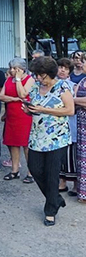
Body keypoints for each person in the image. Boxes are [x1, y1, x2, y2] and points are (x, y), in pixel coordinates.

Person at [24, 56, 74, 226]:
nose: (37, 78)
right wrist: (29, 110)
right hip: (37, 136)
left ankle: (50, 211)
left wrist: (44, 109)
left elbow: (70, 110)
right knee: (35, 169)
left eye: (40, 75)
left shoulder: (62, 86)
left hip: (57, 138)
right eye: (36, 74)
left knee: (52, 174)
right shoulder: (36, 87)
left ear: (49, 73)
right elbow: (33, 106)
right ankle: (56, 198)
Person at [0, 58, 34, 183]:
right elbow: (1, 96)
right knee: (13, 143)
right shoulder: (8, 79)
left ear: (22, 69)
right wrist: (13, 99)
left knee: (26, 145)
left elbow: (23, 94)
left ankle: (31, 172)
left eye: (14, 68)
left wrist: (18, 79)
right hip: (12, 114)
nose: (12, 71)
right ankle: (14, 170)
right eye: (11, 68)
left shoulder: (30, 80)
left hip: (24, 115)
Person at [57, 58, 77, 193]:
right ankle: (62, 182)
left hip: (70, 124)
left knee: (72, 156)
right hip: (58, 126)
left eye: (66, 68)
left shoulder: (74, 85)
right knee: (61, 155)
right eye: (60, 67)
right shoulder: (52, 85)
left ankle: (76, 185)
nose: (63, 70)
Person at [73, 62, 86, 203]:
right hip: (82, 124)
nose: (81, 64)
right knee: (82, 159)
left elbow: (73, 100)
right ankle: (83, 194)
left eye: (84, 61)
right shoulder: (82, 81)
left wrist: (75, 99)